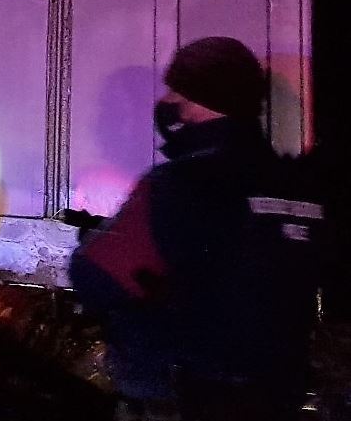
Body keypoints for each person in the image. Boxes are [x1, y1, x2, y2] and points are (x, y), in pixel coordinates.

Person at [70, 37, 326, 421]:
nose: (169, 101)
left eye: (177, 90)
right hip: (278, 394)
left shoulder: (178, 185)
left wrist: (98, 237)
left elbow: (96, 275)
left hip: (189, 396)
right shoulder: (298, 184)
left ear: (200, 99)